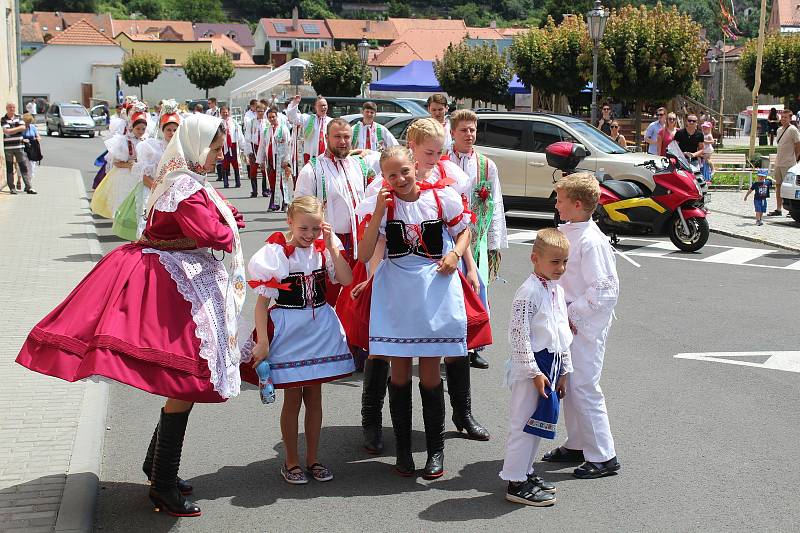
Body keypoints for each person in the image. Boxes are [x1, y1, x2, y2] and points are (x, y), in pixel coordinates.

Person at [16, 113, 247, 517]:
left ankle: (157, 467)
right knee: (185, 378)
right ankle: (161, 484)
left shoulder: (184, 180)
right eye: (213, 148)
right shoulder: (185, 186)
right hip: (171, 283)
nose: (218, 155)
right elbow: (217, 233)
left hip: (180, 279)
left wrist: (223, 222)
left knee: (184, 380)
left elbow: (222, 224)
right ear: (196, 146)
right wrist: (223, 224)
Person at [357, 118, 490, 451]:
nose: (435, 157)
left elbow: (459, 230)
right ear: (411, 147)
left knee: (454, 341)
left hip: (441, 270)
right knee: (384, 347)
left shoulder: (449, 181)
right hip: (396, 270)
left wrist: (468, 265)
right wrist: (374, 277)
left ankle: (462, 412)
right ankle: (372, 420)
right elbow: (378, 242)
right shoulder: (387, 184)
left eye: (440, 150)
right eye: (429, 151)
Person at [243, 196, 355, 484]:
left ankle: (313, 458)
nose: (309, 235)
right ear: (290, 221)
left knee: (315, 396)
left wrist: (330, 244)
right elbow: (260, 305)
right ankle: (291, 461)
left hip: (319, 328)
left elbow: (345, 279)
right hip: (289, 330)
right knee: (293, 397)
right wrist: (263, 342)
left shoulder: (323, 249)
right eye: (304, 228)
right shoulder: (277, 253)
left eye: (315, 229)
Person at [542, 172, 620, 480]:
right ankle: (577, 443)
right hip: (571, 322)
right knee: (571, 385)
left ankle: (604, 455)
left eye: (560, 200)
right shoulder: (574, 230)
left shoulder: (590, 239)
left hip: (584, 327)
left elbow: (604, 290)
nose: (556, 205)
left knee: (585, 386)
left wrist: (573, 315)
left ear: (576, 204)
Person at [500, 228, 572, 507]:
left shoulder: (556, 289)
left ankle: (526, 471)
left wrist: (565, 369)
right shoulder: (528, 292)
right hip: (533, 368)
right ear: (535, 258)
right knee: (522, 425)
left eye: (564, 261)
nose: (561, 268)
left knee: (537, 423)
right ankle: (515, 481)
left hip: (551, 366)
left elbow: (561, 332)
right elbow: (518, 335)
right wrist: (533, 372)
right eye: (555, 262)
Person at [447, 109, 508, 371]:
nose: (469, 134)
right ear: (452, 132)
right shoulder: (442, 159)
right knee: (450, 292)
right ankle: (448, 345)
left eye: (472, 129)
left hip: (476, 237)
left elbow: (495, 204)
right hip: (448, 236)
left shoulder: (486, 165)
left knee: (477, 288)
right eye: (464, 130)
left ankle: (473, 347)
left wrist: (493, 241)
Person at [294, 118, 372, 305]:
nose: (343, 141)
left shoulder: (359, 165)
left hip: (359, 243)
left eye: (346, 137)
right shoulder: (311, 170)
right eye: (337, 137)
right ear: (326, 137)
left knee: (357, 300)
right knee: (329, 299)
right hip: (330, 244)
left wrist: (370, 151)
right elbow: (299, 210)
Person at [114, 100, 181, 240]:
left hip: (172, 193)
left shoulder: (181, 150)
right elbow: (144, 176)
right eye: (168, 129)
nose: (172, 132)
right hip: (150, 191)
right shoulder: (152, 148)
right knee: (146, 225)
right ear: (162, 130)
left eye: (175, 130)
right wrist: (158, 190)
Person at [91, 102, 148, 218]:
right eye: (138, 128)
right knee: (123, 199)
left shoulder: (146, 141)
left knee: (138, 202)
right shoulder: (124, 141)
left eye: (143, 129)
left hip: (139, 176)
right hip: (125, 176)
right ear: (132, 127)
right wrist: (128, 165)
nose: (141, 131)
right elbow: (116, 162)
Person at [256, 107, 293, 211]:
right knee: (272, 182)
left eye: (273, 117)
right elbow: (262, 146)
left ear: (277, 117)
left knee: (282, 182)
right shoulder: (266, 130)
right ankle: (274, 203)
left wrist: (286, 160)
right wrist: (261, 161)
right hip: (270, 160)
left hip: (280, 159)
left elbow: (288, 145)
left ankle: (285, 202)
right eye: (270, 117)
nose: (272, 119)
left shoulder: (283, 129)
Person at [769, 109, 800, 216]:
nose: (783, 119)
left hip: (789, 163)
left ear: (790, 119)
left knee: (788, 186)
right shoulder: (779, 130)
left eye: (786, 117)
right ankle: (778, 208)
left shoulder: (793, 129)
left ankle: (791, 210)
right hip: (779, 162)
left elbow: (797, 144)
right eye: (782, 117)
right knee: (778, 186)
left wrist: (796, 158)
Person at [287, 94, 331, 165]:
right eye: (321, 105)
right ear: (315, 107)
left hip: (326, 157)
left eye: (325, 105)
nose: (323, 107)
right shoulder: (308, 119)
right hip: (311, 156)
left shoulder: (331, 121)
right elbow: (292, 118)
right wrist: (295, 103)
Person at [2, 102, 34, 195]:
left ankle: (29, 187)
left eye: (13, 107)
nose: (12, 109)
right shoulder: (3, 119)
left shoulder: (19, 117)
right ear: (6, 109)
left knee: (23, 167)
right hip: (8, 147)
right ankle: (12, 188)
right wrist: (17, 128)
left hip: (19, 146)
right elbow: (6, 131)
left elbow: (23, 127)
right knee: (9, 167)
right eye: (10, 107)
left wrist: (12, 130)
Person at [244, 104, 269, 198]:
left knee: (264, 170)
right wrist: (249, 151)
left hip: (263, 147)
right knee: (253, 170)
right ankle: (254, 191)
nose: (260, 113)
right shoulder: (251, 122)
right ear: (255, 112)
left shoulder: (267, 123)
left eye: (262, 111)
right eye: (258, 111)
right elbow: (248, 137)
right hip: (254, 147)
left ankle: (265, 190)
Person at [219, 105, 244, 188]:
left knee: (235, 163)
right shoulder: (218, 122)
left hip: (233, 144)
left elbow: (239, 134)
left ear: (229, 112)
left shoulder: (234, 122)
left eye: (226, 112)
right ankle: (225, 182)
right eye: (223, 112)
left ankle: (238, 182)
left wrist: (242, 145)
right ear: (220, 113)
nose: (225, 114)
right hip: (224, 145)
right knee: (225, 164)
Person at [21, 113, 43, 185]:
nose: (27, 124)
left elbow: (38, 136)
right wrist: (23, 140)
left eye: (29, 122)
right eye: (26, 122)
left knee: (31, 166)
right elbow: (18, 137)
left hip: (32, 149)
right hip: (23, 148)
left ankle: (28, 184)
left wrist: (38, 138)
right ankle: (19, 179)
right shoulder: (21, 128)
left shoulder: (32, 127)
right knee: (22, 165)